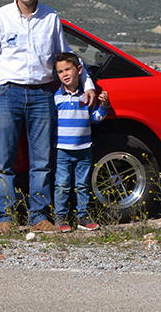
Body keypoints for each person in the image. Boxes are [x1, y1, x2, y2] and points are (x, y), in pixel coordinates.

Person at [0, 0, 97, 235]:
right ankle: (4, 219)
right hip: (7, 94)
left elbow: (67, 59)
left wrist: (86, 81)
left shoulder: (51, 18)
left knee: (41, 160)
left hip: (43, 95)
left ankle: (39, 217)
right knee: (4, 161)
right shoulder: (0, 17)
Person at [52, 52, 109, 232]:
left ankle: (83, 217)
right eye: (60, 71)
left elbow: (97, 118)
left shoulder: (86, 97)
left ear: (79, 70)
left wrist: (104, 106)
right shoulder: (56, 98)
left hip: (84, 149)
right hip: (62, 150)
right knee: (62, 184)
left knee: (83, 185)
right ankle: (60, 218)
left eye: (68, 69)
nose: (65, 74)